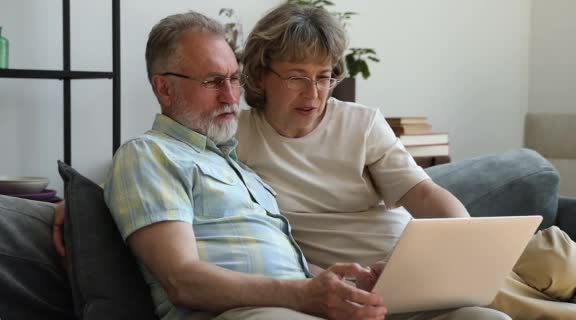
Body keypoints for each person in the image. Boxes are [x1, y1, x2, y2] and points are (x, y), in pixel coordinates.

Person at [235, 3, 576, 320]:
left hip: (414, 257)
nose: (313, 92)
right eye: (296, 77)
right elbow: (262, 243)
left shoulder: (361, 123)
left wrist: (467, 244)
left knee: (554, 254)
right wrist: (322, 281)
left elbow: (424, 194)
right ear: (261, 74)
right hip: (368, 280)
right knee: (508, 293)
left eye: (324, 76)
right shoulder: (237, 140)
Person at [102, 11, 387, 320]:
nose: (230, 96)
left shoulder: (238, 167)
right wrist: (304, 295)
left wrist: (350, 283)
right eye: (213, 81)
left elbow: (288, 271)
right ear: (164, 89)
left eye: (234, 79)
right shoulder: (148, 154)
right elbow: (182, 281)